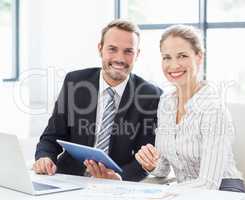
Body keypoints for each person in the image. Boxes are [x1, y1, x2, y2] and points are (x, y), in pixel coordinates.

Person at [33, 19, 161, 182]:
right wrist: (45, 157)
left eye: (128, 51)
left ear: (137, 54)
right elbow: (51, 136)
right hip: (68, 179)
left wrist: (119, 178)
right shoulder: (75, 82)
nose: (119, 58)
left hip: (116, 186)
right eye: (112, 49)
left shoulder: (150, 96)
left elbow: (145, 159)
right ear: (100, 49)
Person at [135, 25, 245, 192]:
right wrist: (151, 164)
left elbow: (208, 184)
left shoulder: (213, 108)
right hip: (185, 191)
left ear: (199, 56)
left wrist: (163, 193)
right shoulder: (166, 102)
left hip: (222, 191)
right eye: (167, 57)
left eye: (182, 56)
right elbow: (163, 169)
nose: (173, 65)